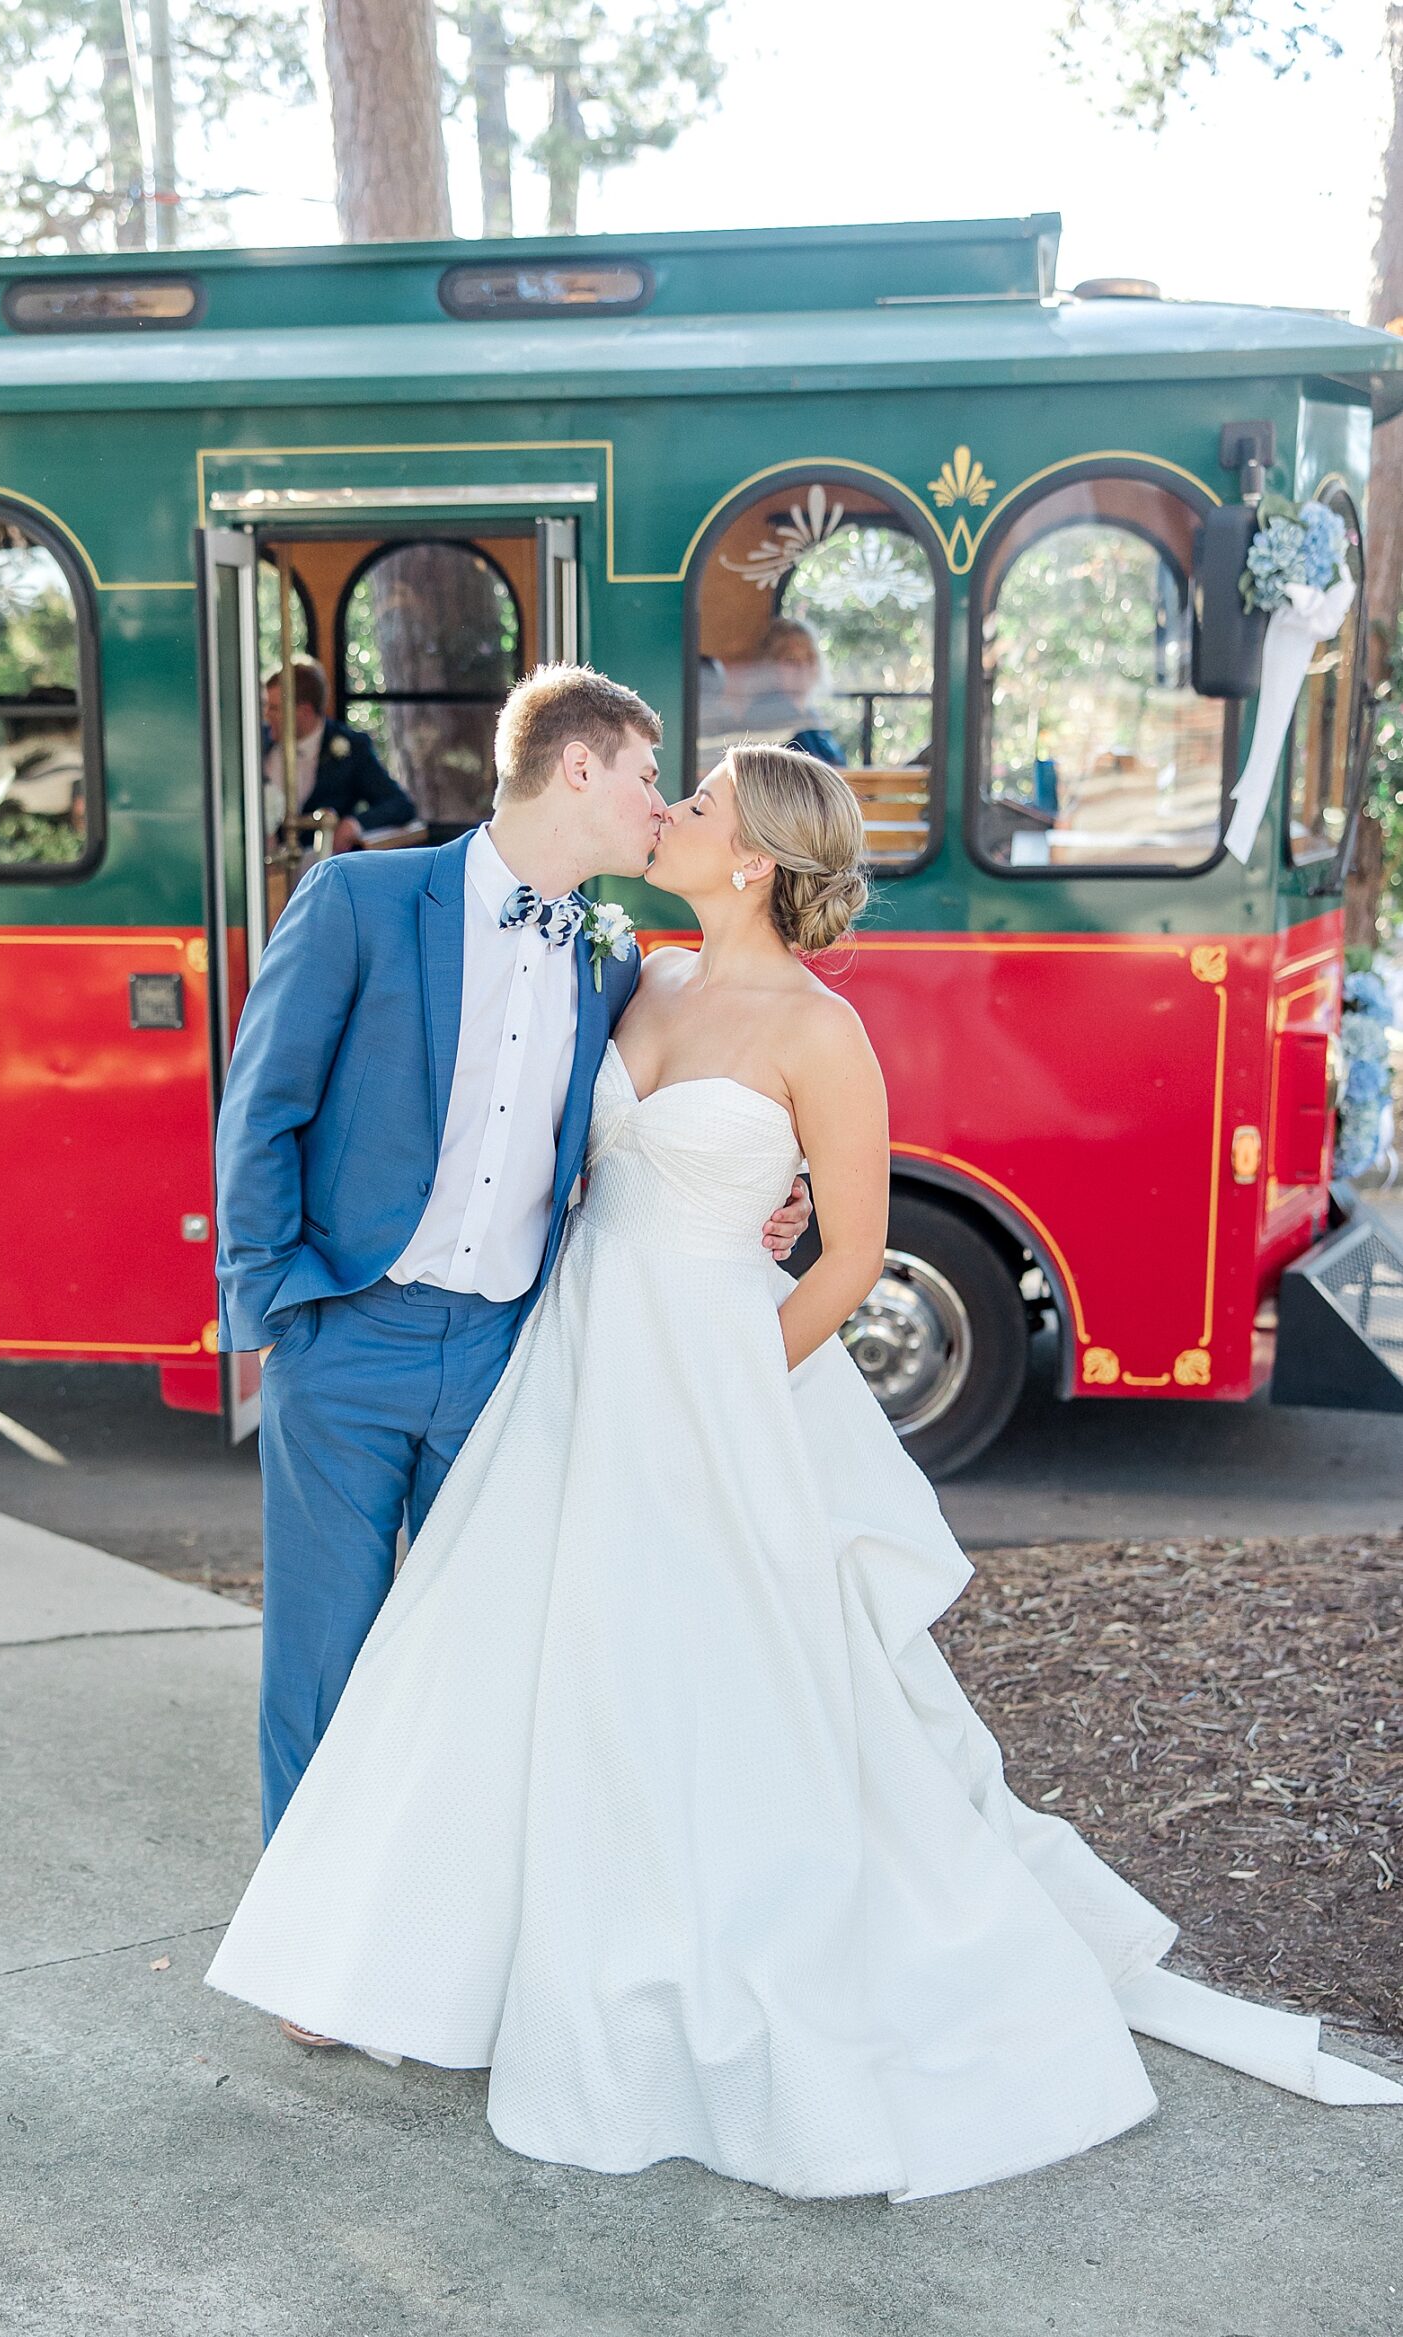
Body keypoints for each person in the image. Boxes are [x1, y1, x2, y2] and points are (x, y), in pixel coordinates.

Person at [209, 738, 1402, 2197]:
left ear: (754, 857)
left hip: (703, 1382)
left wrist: (727, 1376)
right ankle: (400, 1951)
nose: (668, 813)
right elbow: (561, 1154)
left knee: (687, 1683)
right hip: (569, 1357)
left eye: (693, 804)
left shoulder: (819, 1034)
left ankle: (666, 1956)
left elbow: (846, 1255)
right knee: (496, 1660)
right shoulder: (630, 972)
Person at [214, 666, 811, 1876]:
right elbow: (260, 1111)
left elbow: (682, 1102)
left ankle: (430, 1913)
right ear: (578, 769)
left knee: (472, 1653)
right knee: (323, 1647)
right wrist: (273, 1310)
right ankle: (306, 1923)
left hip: (506, 1354)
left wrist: (776, 1191)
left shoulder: (616, 956)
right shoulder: (360, 900)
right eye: (651, 777)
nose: (661, 802)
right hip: (349, 1334)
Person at [263, 655, 417, 851]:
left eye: (274, 708)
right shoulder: (257, 745)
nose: (266, 715)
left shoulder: (351, 748)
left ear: (304, 711)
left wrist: (354, 824)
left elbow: (399, 804)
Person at [745, 616, 849, 768]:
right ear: (770, 665)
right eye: (791, 660)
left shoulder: (811, 715)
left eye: (810, 658)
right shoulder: (768, 715)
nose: (803, 668)